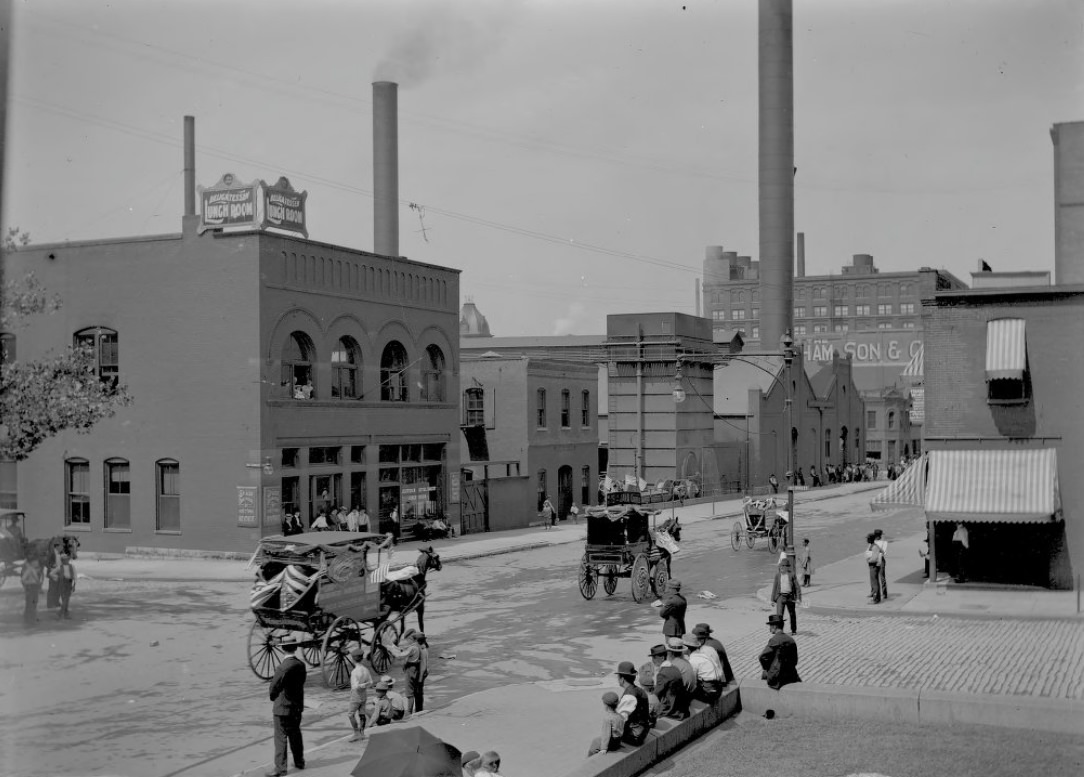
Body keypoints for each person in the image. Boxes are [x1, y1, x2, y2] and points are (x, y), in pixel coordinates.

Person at [267, 642, 306, 776]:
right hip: (296, 707)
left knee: (280, 737)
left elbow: (273, 688)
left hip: (282, 708)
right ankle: (299, 761)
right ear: (295, 648)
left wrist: (273, 697)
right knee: (295, 734)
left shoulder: (282, 668)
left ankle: (281, 769)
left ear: (283, 648)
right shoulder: (301, 665)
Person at [758, 614, 801, 690]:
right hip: (791, 675)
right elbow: (795, 661)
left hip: (778, 678)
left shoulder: (775, 640)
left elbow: (762, 657)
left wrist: (767, 668)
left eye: (770, 626)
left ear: (774, 626)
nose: (770, 628)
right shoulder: (791, 640)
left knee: (764, 674)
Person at [613, 662, 650, 747]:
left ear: (622, 679)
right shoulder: (639, 690)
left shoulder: (629, 696)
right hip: (642, 731)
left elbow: (620, 721)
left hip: (634, 735)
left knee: (596, 744)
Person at [655, 638, 692, 720]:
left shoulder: (673, 665)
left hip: (680, 701)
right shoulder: (685, 661)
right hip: (686, 695)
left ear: (670, 652)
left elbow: (658, 692)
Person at [683, 633, 724, 702]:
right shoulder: (702, 655)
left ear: (687, 648)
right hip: (718, 688)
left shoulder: (693, 661)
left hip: (709, 693)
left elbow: (691, 682)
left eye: (682, 647)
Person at [399, 629, 429, 714]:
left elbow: (403, 659)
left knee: (410, 693)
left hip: (413, 672)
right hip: (419, 673)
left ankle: (410, 712)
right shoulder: (422, 648)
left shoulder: (415, 648)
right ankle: (419, 710)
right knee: (418, 692)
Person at [586, 691, 625, 757]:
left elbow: (606, 734)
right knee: (598, 740)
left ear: (606, 706)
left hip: (611, 744)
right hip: (618, 742)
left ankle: (589, 758)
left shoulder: (607, 719)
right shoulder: (620, 716)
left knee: (595, 742)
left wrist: (604, 748)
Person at [771, 556, 801, 635]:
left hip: (790, 597)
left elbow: (797, 587)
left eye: (783, 566)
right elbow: (774, 587)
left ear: (787, 567)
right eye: (781, 566)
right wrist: (772, 600)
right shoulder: (778, 575)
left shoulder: (792, 575)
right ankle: (779, 631)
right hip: (780, 597)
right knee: (779, 616)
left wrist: (798, 598)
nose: (781, 567)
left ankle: (794, 630)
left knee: (792, 614)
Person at [347, 647, 372, 741]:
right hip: (364, 694)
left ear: (353, 659)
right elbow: (371, 682)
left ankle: (356, 733)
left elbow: (355, 686)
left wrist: (361, 685)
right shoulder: (366, 670)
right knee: (361, 713)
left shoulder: (354, 672)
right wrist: (365, 685)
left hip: (356, 695)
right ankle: (362, 733)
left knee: (350, 714)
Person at [21, 555, 43, 626]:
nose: (37, 564)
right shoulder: (29, 570)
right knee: (30, 603)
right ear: (32, 563)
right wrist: (28, 584)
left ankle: (32, 616)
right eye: (36, 562)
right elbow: (23, 580)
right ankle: (29, 618)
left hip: (34, 587)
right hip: (30, 587)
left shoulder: (33, 570)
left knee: (34, 602)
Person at [864, 532, 883, 604]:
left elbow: (875, 558)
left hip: (874, 566)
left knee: (875, 583)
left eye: (867, 538)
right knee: (873, 582)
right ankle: (874, 595)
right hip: (872, 566)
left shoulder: (875, 547)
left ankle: (876, 599)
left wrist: (869, 560)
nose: (867, 540)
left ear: (871, 539)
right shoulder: (871, 545)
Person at [57, 552, 75, 619]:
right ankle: (63, 613)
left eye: (66, 559)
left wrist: (74, 585)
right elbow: (52, 574)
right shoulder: (60, 567)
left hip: (69, 583)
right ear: (62, 560)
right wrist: (57, 578)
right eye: (64, 559)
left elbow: (75, 576)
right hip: (62, 583)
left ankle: (62, 613)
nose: (66, 560)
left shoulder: (71, 566)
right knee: (65, 599)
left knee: (66, 599)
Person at [873, 529, 889, 600]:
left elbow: (883, 552)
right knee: (877, 577)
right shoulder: (881, 542)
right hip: (878, 559)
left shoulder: (882, 543)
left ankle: (882, 593)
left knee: (879, 577)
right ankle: (877, 592)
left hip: (878, 559)